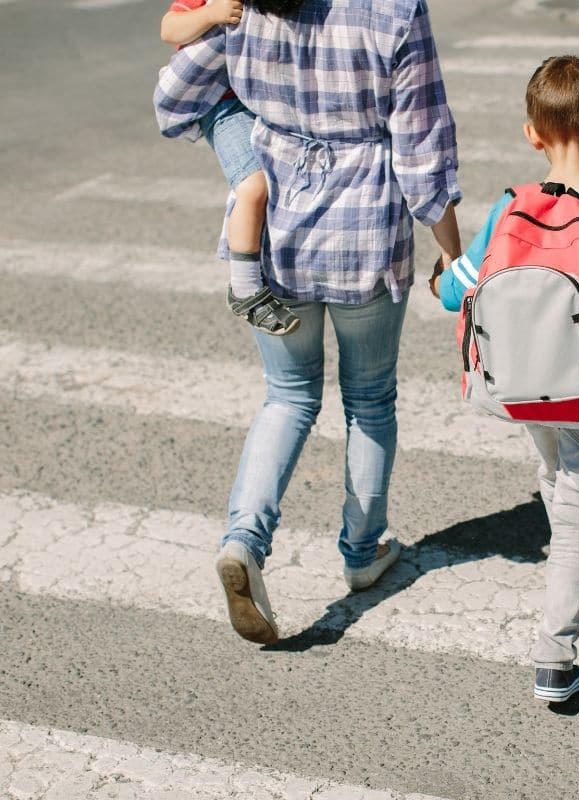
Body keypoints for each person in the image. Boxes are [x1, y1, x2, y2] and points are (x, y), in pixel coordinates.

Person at [154, 0, 462, 645]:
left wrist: (246, 148)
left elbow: (176, 96)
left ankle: (244, 540)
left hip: (274, 236)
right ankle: (361, 551)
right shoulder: (394, 11)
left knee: (287, 398)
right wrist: (452, 255)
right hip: (366, 232)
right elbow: (420, 144)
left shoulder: (251, 4)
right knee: (370, 400)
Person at [434, 55, 579, 703]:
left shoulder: (512, 207)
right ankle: (554, 658)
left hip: (519, 386)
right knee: (574, 513)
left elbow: (459, 292)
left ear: (531, 134)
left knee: (552, 475)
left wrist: (438, 279)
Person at [159, 0, 298, 336]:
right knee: (254, 184)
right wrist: (209, 14)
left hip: (268, 97)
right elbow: (169, 28)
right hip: (221, 104)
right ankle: (246, 288)